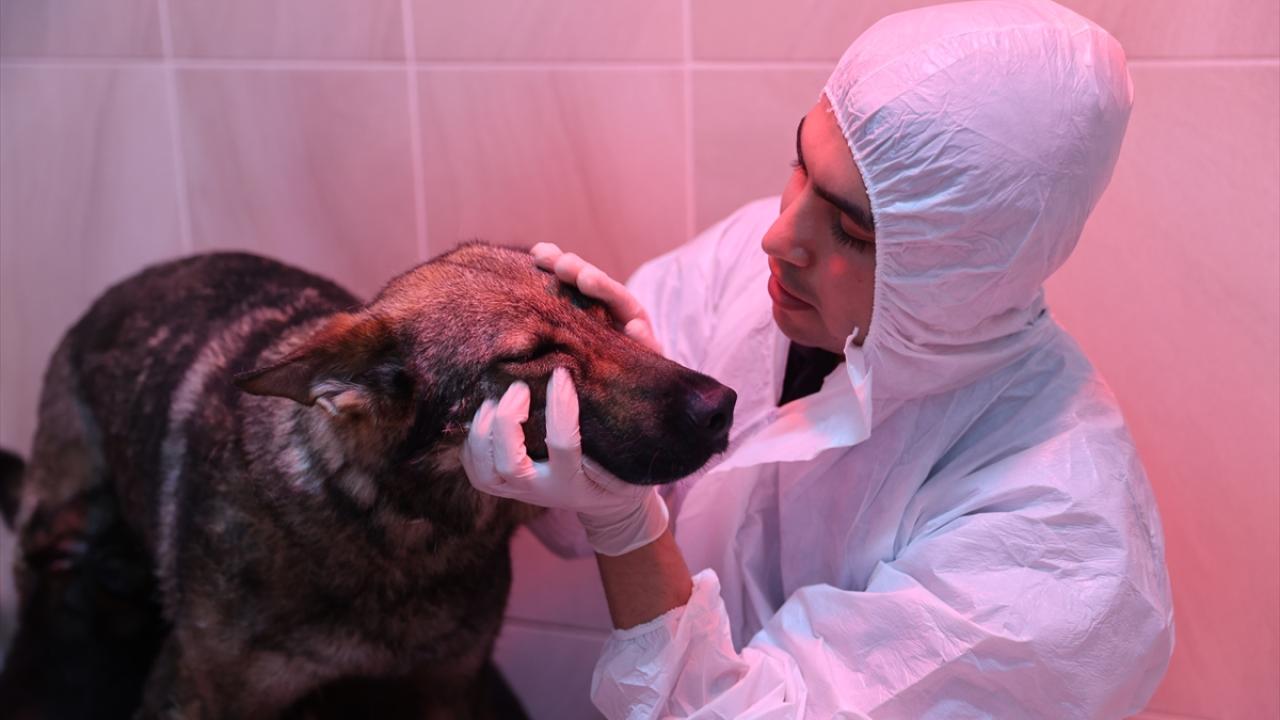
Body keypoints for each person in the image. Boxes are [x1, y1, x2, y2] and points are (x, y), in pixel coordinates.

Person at [461, 0, 1175, 717]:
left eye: (851, 229)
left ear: (960, 271)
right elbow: (554, 511)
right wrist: (601, 416)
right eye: (801, 164)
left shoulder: (1057, 531)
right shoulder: (750, 275)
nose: (777, 236)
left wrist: (626, 524)